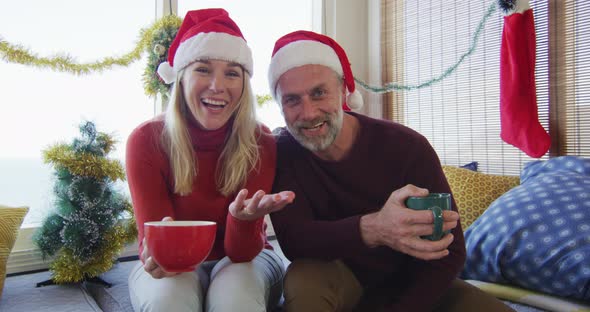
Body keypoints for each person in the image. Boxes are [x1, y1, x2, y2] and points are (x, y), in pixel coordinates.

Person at [267, 30, 515, 311]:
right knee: (304, 276)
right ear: (280, 106)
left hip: (414, 284)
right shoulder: (284, 152)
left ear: (343, 90)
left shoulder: (406, 147)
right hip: (338, 279)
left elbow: (450, 252)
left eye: (319, 93)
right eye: (292, 100)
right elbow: (295, 241)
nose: (309, 112)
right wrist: (374, 229)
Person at [125, 8, 294, 312]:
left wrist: (243, 222)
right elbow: (153, 248)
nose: (218, 85)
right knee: (169, 302)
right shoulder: (146, 140)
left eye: (232, 73)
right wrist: (159, 253)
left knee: (235, 300)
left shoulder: (261, 141)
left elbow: (242, 252)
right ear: (181, 78)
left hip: (247, 257)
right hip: (175, 261)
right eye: (203, 69)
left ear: (243, 86)